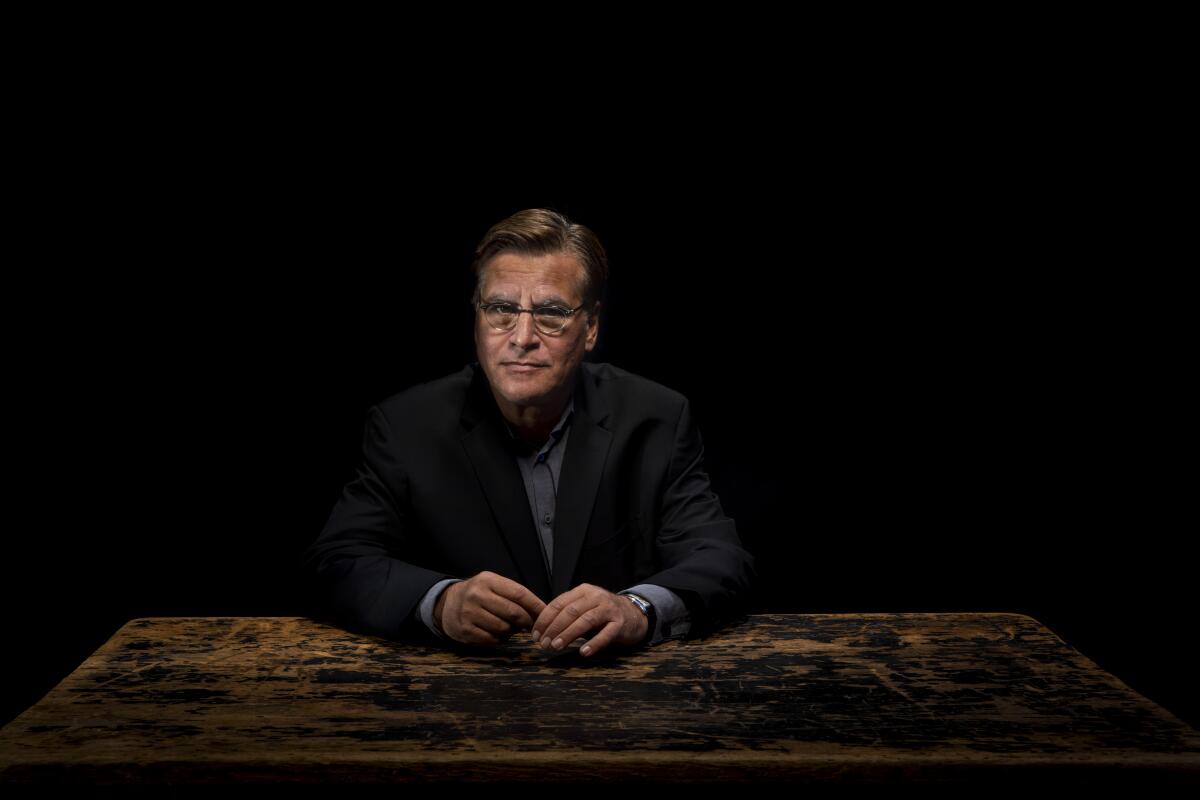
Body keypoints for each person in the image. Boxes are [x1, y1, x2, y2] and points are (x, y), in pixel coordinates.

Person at [299, 208, 755, 658]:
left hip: (621, 699)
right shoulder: (405, 425)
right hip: (455, 703)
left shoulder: (655, 416)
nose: (521, 337)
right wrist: (439, 602)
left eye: (551, 312)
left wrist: (636, 607)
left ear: (591, 327)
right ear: (477, 318)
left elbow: (721, 559)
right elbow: (335, 562)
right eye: (501, 309)